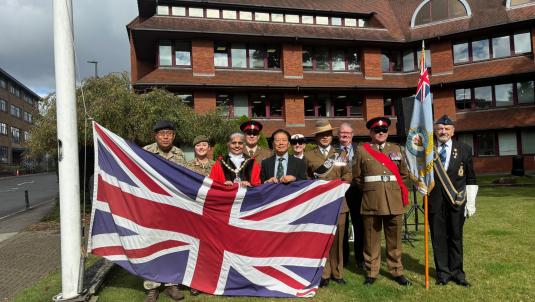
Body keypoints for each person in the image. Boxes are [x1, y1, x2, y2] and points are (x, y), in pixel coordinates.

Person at [352, 116, 411, 286]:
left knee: (395, 240)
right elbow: (357, 177)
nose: (380, 133)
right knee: (371, 239)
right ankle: (372, 272)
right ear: (371, 132)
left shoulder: (397, 149)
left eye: (384, 130)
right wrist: (371, 190)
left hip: (394, 201)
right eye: (377, 130)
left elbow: (404, 174)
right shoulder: (362, 151)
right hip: (372, 201)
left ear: (388, 132)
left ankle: (397, 271)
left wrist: (391, 189)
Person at [429, 115, 477, 287]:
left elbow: (471, 178)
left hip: (457, 201)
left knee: (456, 237)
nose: (443, 131)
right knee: (438, 237)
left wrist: (471, 202)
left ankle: (457, 273)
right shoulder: (427, 150)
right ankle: (443, 273)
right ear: (435, 131)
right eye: (440, 128)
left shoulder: (464, 149)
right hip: (434, 201)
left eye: (447, 129)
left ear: (453, 131)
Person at [304, 120, 351, 287]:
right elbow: (306, 179)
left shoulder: (341, 155)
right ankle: (323, 273)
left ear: (331, 136)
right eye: (321, 135)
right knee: (321, 239)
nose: (325, 137)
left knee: (338, 240)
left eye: (327, 134)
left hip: (339, 203)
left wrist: (337, 185)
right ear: (316, 137)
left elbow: (348, 175)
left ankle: (337, 273)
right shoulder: (309, 156)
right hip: (319, 204)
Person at [143, 120, 185, 301]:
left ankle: (171, 284)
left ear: (174, 136)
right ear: (155, 136)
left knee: (172, 244)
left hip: (172, 208)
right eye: (162, 133)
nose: (166, 136)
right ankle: (152, 287)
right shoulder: (145, 152)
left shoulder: (179, 154)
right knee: (151, 245)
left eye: (169, 133)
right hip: (151, 207)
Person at [335, 123, 365, 270]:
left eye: (347, 133)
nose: (345, 135)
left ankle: (361, 259)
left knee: (360, 225)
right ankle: (344, 258)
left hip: (358, 191)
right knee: (342, 226)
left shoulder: (361, 150)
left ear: (352, 135)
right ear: (338, 135)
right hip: (340, 192)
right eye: (342, 133)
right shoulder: (333, 152)